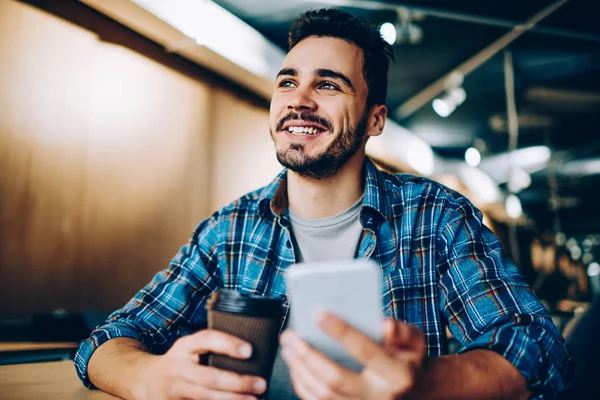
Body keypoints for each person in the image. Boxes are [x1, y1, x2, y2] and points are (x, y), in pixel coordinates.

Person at [75, 8, 572, 400]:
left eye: (328, 84)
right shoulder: (229, 229)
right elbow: (110, 338)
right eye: (288, 81)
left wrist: (421, 385)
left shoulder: (437, 217)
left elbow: (538, 349)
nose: (300, 99)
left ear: (375, 120)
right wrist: (151, 377)